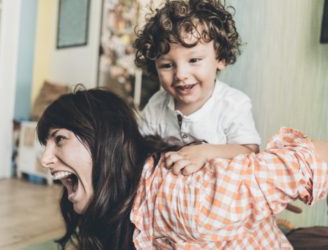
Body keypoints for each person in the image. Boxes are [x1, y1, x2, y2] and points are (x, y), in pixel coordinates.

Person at [37, 88, 328, 250]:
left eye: (59, 139)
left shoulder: (186, 197)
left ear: (104, 142)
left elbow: (316, 157)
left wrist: (262, 192)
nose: (44, 159)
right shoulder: (123, 200)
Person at [134, 0, 260, 174]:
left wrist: (205, 152)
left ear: (221, 58)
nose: (180, 74)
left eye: (194, 60)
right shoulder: (157, 105)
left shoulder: (233, 104)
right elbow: (137, 146)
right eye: (167, 65)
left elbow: (249, 151)